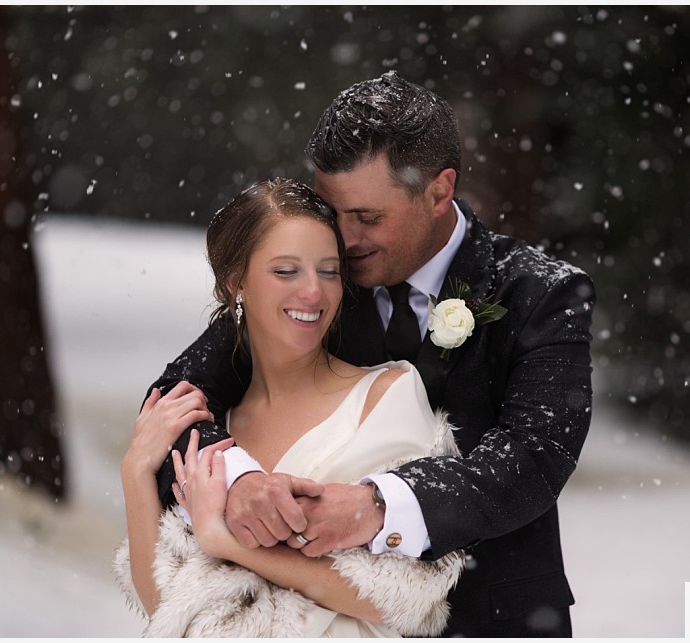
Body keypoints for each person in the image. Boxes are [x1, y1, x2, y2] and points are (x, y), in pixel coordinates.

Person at [146, 71, 596, 637]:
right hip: (327, 621)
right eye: (332, 211)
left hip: (491, 617)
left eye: (367, 217)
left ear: (439, 191)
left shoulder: (540, 292)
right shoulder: (317, 285)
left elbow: (533, 456)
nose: (343, 236)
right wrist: (236, 482)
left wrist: (377, 508)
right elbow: (173, 400)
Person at [114, 178, 464, 637]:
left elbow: (400, 597)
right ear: (236, 282)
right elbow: (167, 608)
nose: (314, 293)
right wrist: (136, 474)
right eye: (285, 271)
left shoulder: (386, 395)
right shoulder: (213, 430)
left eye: (328, 270)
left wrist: (232, 546)